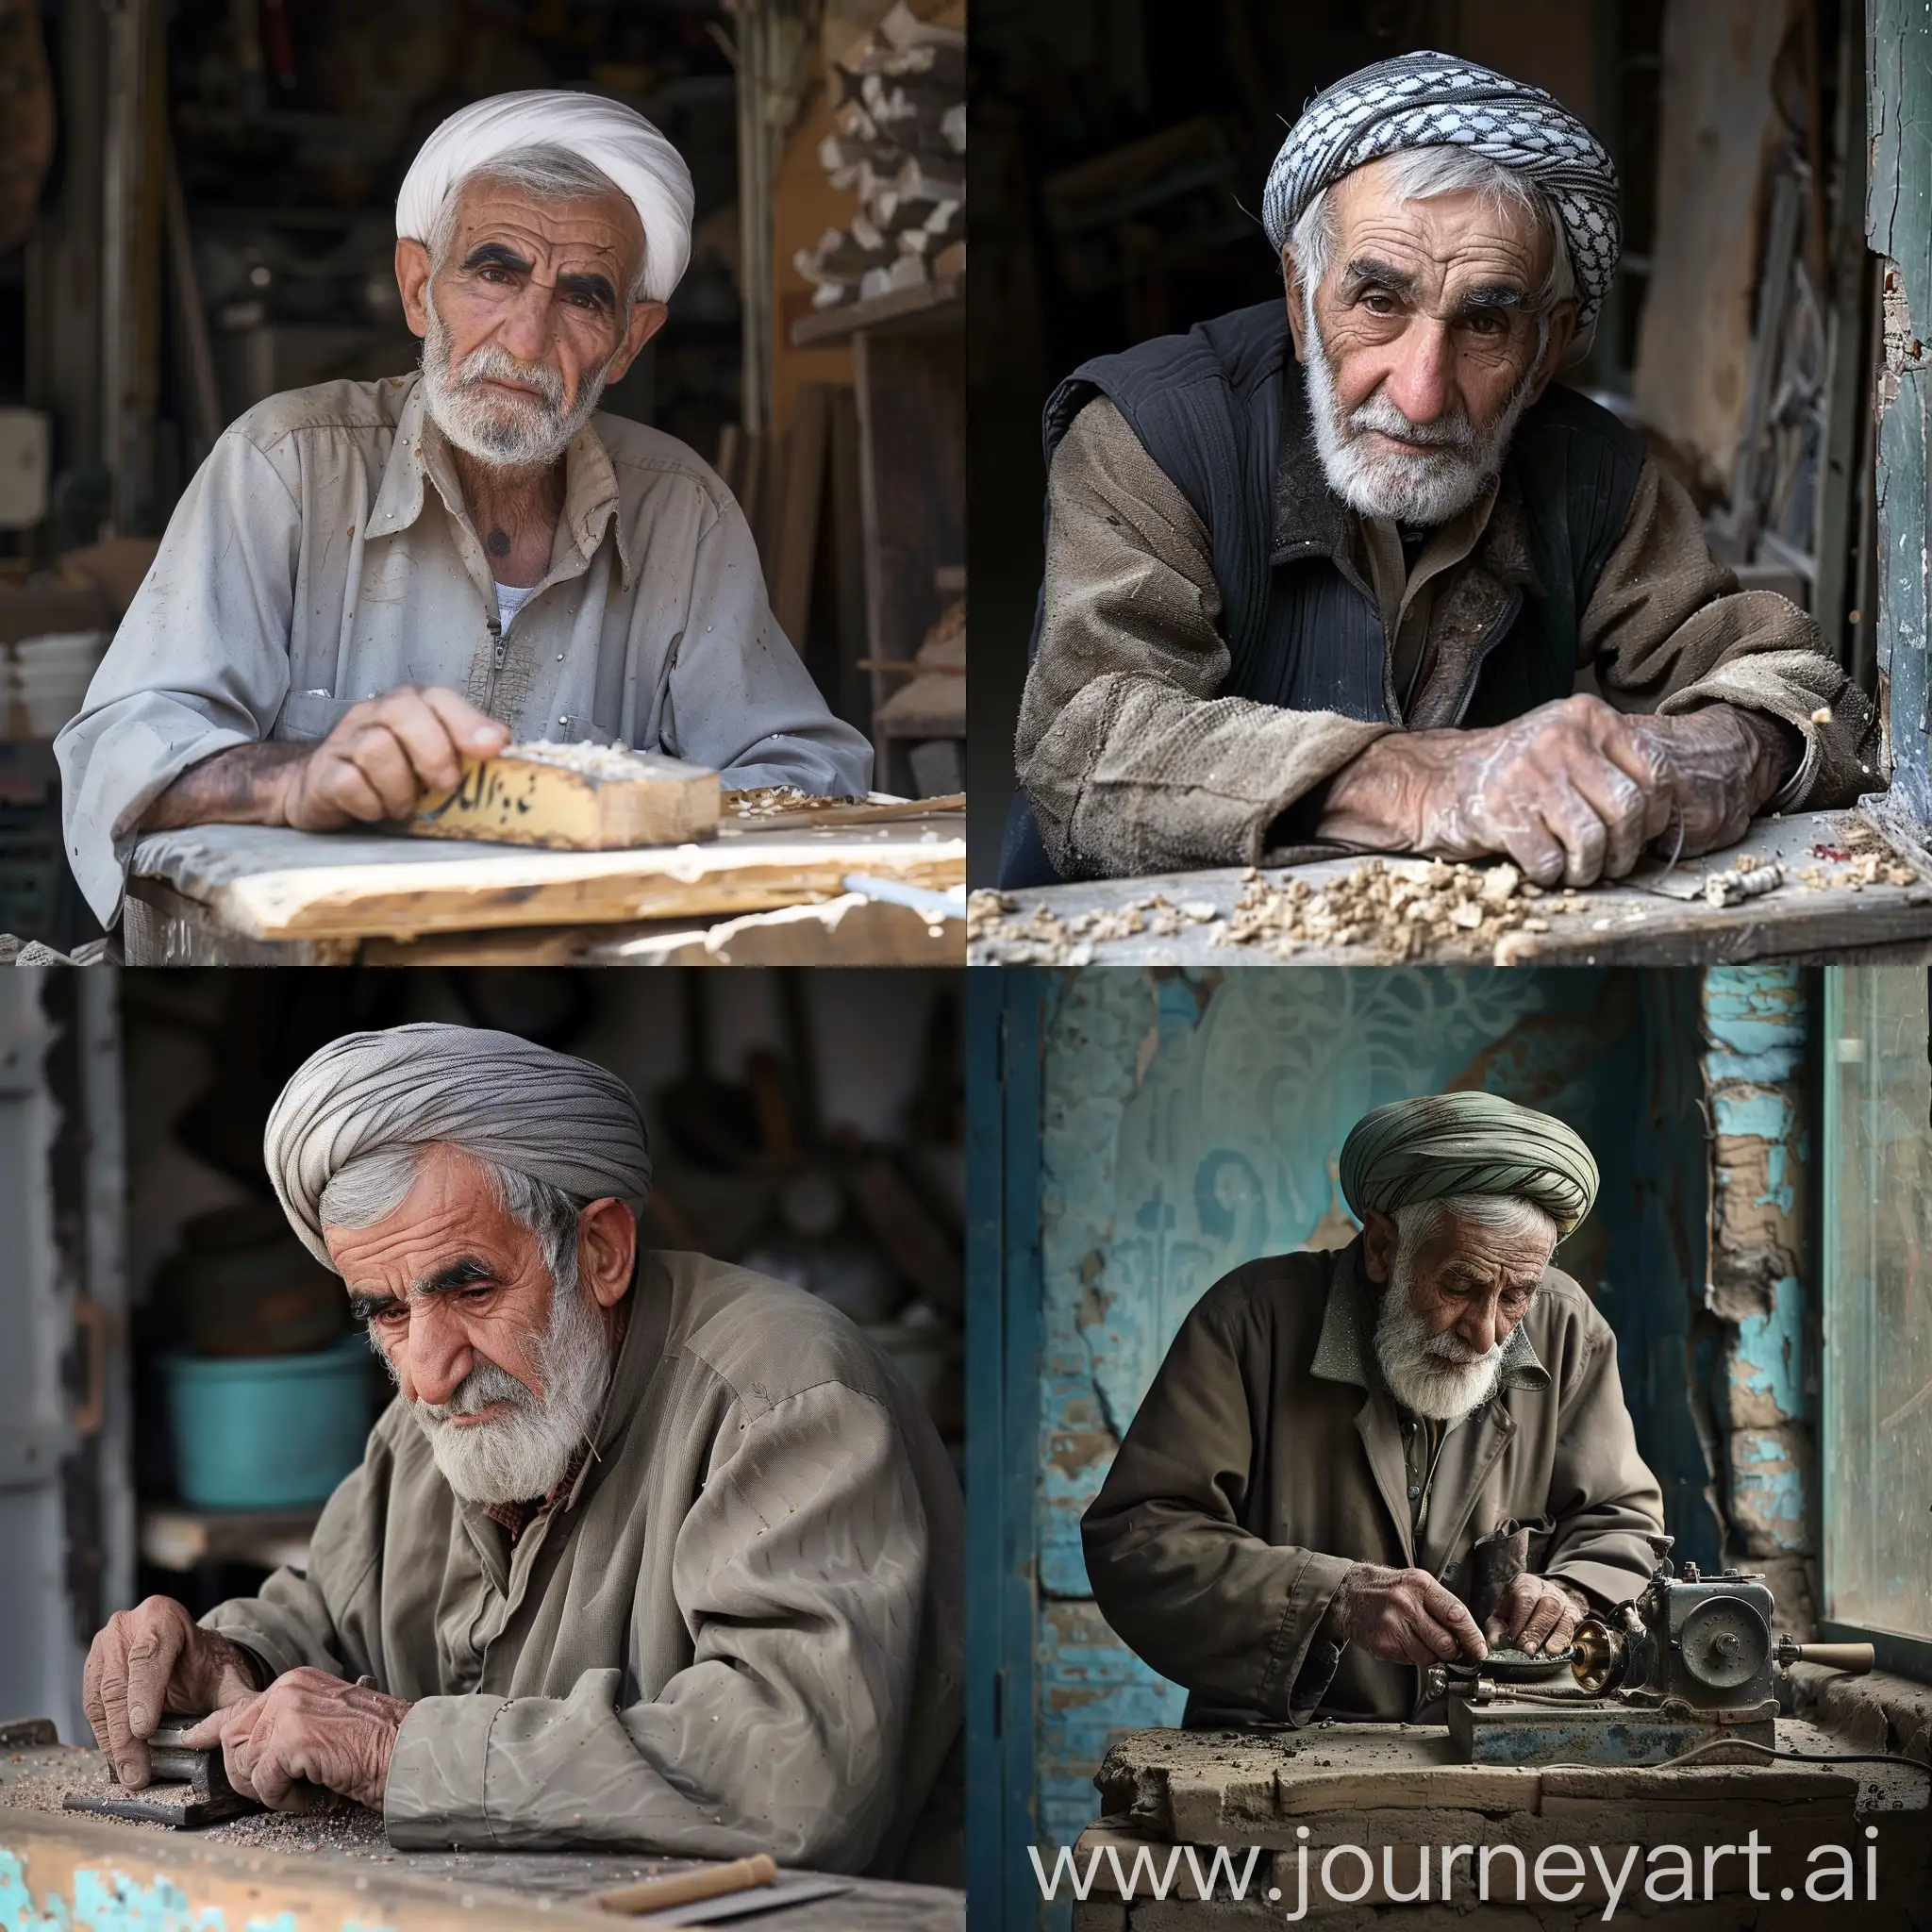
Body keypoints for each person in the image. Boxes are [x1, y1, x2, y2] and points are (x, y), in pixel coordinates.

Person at [81, 1024, 961, 1874]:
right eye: (386, 1312)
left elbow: (800, 1770)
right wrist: (226, 1662)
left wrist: (398, 1750)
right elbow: (332, 1617)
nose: (427, 1371)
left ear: (602, 1250)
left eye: (468, 1286)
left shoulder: (783, 1397)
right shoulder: (433, 1425)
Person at [1009, 52, 1874, 888]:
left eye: (1485, 325)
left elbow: (1793, 682)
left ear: (1544, 350)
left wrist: (1721, 750)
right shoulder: (1154, 434)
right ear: (1302, 303)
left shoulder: (1591, 470)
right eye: (1378, 303)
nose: (1422, 395)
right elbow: (1088, 744)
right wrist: (1428, 781)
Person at [57, 92, 872, 930]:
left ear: (630, 339)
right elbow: (124, 757)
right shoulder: (288, 462)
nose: (525, 338)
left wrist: (642, 818)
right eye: (494, 272)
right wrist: (297, 779)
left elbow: (805, 766)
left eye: (584, 297)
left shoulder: (681, 509)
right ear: (418, 288)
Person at [1082, 1091, 1664, 1725]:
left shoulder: (1566, 1327)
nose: (1487, 1332)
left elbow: (1620, 1518)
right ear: (1383, 1248)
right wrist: (1333, 1597)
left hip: (1508, 1741)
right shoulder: (1251, 1324)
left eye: (1516, 1295)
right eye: (1460, 1286)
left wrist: (1571, 1591)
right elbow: (1139, 1541)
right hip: (1282, 1750)